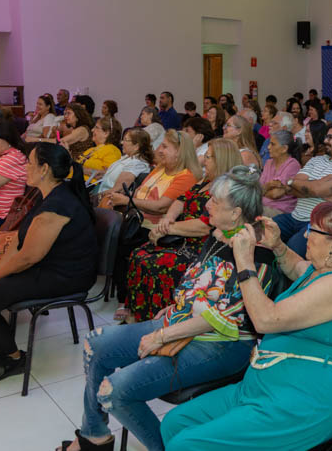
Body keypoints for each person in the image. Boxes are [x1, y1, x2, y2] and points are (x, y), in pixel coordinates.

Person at [58, 166, 277, 451]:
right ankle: (95, 434)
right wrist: (175, 306)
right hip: (182, 322)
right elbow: (199, 282)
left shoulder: (255, 251)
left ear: (236, 212)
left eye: (214, 202)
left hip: (221, 343)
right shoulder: (219, 232)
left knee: (114, 391)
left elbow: (222, 318)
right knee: (94, 343)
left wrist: (162, 336)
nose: (206, 204)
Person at [162, 202, 332, 450]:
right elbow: (297, 267)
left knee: (185, 444)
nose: (305, 234)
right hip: (266, 386)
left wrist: (245, 262)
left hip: (302, 401)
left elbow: (265, 319)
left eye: (312, 230)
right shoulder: (324, 271)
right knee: (174, 423)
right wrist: (277, 245)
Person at [0, 143, 97, 384]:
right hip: (47, 265)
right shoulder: (46, 194)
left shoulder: (57, 206)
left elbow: (28, 257)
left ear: (44, 169)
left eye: (29, 162)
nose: (25, 167)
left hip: (65, 275)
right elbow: (20, 240)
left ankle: (15, 358)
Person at [124, 139, 242, 323]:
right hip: (181, 236)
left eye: (208, 157)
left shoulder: (226, 188)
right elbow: (181, 199)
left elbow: (205, 225)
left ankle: (159, 320)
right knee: (138, 254)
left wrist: (167, 228)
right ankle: (137, 315)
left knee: (154, 264)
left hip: (202, 246)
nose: (203, 160)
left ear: (221, 160)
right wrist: (168, 218)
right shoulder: (206, 180)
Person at [107, 130, 201, 313]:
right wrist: (122, 197)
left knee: (120, 242)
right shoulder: (159, 169)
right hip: (136, 221)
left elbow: (161, 206)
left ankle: (126, 300)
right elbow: (140, 192)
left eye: (165, 146)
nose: (159, 150)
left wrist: (126, 201)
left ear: (180, 151)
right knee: (113, 236)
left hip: (155, 229)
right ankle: (124, 295)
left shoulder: (186, 176)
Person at [271, 122, 332, 256]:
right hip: (294, 217)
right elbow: (291, 188)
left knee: (292, 251)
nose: (325, 141)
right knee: (264, 232)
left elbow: (315, 189)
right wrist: (317, 192)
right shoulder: (317, 160)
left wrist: (307, 187)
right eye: (326, 137)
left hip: (321, 225)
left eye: (330, 137)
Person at [94, 127, 154, 196]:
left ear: (136, 146)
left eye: (125, 140)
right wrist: (105, 173)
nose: (121, 142)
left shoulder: (137, 164)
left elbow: (118, 190)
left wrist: (95, 197)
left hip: (106, 200)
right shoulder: (127, 157)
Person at [260, 130, 301, 217]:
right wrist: (270, 185)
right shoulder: (268, 163)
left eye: (273, 144)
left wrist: (263, 191)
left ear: (284, 149)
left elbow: (276, 194)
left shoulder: (293, 165)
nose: (268, 147)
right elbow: (258, 189)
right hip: (263, 206)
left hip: (280, 211)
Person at [78, 117, 122, 183]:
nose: (92, 130)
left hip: (87, 187)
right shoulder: (91, 149)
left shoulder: (112, 150)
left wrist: (78, 169)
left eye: (96, 127)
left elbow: (107, 174)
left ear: (106, 133)